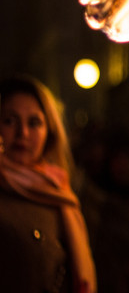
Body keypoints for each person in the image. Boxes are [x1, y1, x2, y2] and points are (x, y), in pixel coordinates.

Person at [0, 75, 97, 293]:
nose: (22, 133)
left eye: (34, 123)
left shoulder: (60, 193)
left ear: (50, 132)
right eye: (9, 120)